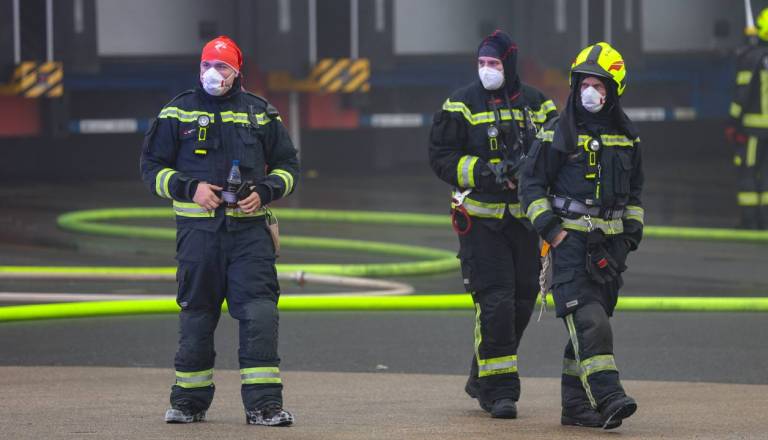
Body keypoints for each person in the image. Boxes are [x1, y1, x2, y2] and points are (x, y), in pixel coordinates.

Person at [139, 35, 299, 427]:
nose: (213, 73)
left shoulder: (261, 113)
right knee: (197, 315)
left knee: (259, 314)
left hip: (250, 236)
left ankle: (264, 406)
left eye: (222, 66)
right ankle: (187, 403)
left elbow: (289, 167)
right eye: (206, 65)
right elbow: (151, 168)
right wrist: (190, 188)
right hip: (198, 236)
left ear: (237, 72)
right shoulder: (177, 112)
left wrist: (265, 191)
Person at [428, 30, 557, 419]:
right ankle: (501, 392)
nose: (487, 70)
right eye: (482, 63)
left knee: (522, 300)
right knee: (496, 302)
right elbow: (441, 156)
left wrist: (530, 172)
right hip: (481, 223)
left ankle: (481, 374)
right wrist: (487, 172)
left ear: (509, 65)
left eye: (494, 63)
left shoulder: (538, 105)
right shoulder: (460, 104)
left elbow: (558, 149)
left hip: (525, 222)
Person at [520, 42, 642, 429]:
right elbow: (530, 185)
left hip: (610, 250)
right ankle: (609, 396)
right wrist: (552, 232)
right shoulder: (557, 133)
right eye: (584, 84)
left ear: (614, 92)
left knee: (587, 329)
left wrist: (629, 238)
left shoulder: (627, 137)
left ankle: (575, 407)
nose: (590, 92)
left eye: (599, 85)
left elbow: (635, 195)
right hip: (570, 246)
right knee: (591, 324)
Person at [727, 8, 768, 229]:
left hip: (753, 130)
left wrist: (732, 122)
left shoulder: (751, 58)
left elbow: (741, 95)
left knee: (749, 172)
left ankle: (750, 221)